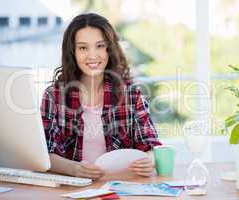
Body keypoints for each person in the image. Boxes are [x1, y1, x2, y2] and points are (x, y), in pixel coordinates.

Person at [40, 13, 162, 180]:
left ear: (109, 49)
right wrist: (74, 169)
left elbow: (151, 146)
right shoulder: (53, 96)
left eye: (100, 46)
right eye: (83, 48)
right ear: (72, 52)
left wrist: (149, 161)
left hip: (122, 186)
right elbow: (44, 154)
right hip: (72, 189)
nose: (92, 55)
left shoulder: (131, 94)